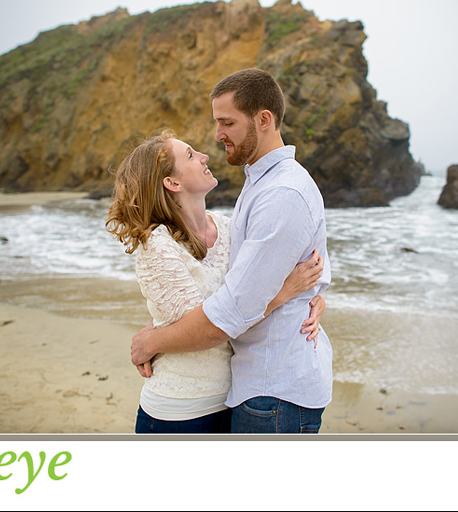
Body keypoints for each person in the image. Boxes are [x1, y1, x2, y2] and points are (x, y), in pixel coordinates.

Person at [130, 67, 333, 434]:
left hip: (275, 390)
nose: (217, 137)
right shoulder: (260, 186)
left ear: (264, 119)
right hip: (243, 389)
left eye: (227, 123)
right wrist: (299, 294)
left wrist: (151, 342)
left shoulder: (281, 193)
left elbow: (234, 309)